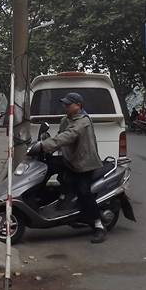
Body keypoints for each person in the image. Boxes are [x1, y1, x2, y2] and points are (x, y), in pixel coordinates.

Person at [29, 92, 108, 243]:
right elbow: (59, 136)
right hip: (69, 159)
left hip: (83, 164)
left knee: (84, 192)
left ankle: (98, 225)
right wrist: (45, 146)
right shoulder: (66, 119)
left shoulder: (83, 122)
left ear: (78, 106)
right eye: (64, 104)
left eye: (68, 104)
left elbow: (68, 136)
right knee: (46, 167)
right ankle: (37, 200)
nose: (65, 106)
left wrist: (43, 146)